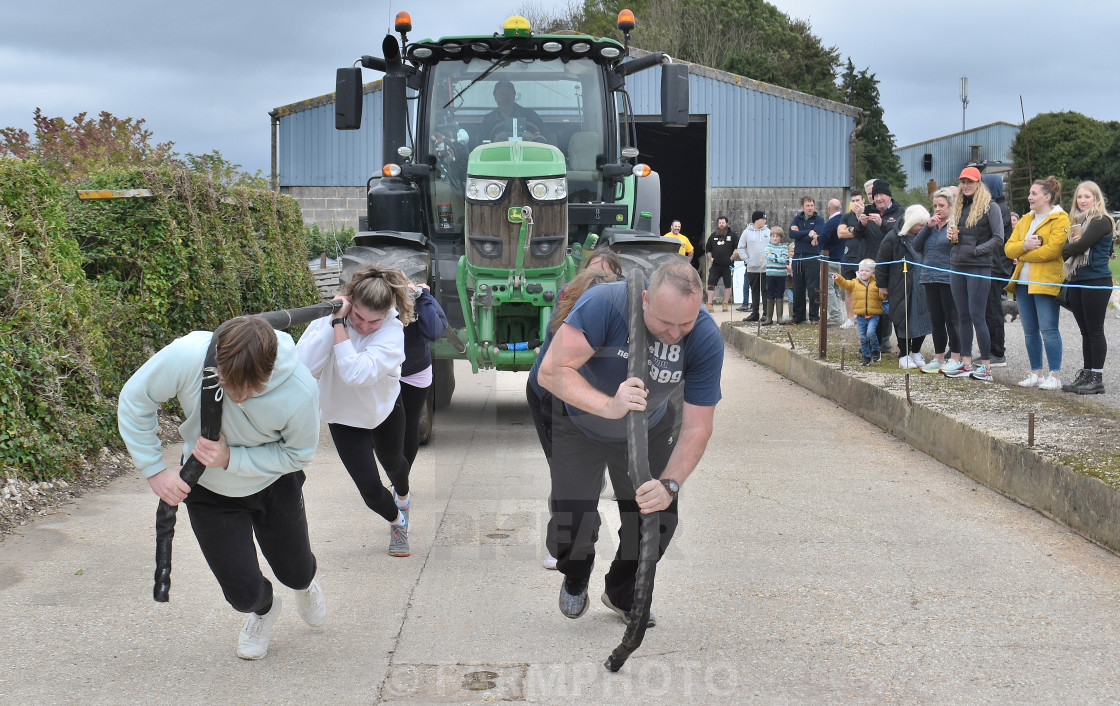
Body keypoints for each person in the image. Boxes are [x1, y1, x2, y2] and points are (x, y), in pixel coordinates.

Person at [118, 316, 324, 660]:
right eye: (230, 385)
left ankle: (305, 586)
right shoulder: (189, 356)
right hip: (210, 491)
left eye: (253, 389)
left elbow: (298, 453)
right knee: (242, 596)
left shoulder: (299, 387)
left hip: (274, 485)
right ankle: (265, 610)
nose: (240, 395)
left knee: (297, 571)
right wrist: (154, 471)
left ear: (270, 368)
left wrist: (231, 458)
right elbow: (135, 400)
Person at [534, 260, 723, 625]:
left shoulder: (704, 336)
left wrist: (669, 484)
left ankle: (621, 592)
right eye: (665, 323)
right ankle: (576, 573)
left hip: (649, 427)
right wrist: (609, 406)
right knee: (570, 524)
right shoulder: (605, 304)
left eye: (684, 324)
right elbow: (551, 371)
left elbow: (698, 425)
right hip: (580, 422)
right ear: (646, 299)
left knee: (658, 517)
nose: (674, 334)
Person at [296, 266, 416, 557]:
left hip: (383, 412)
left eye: (372, 321)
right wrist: (333, 319)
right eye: (358, 317)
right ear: (350, 304)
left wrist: (341, 326)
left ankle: (403, 494)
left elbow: (356, 374)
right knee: (371, 491)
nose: (363, 326)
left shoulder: (392, 331)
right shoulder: (334, 319)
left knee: (396, 464)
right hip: (344, 417)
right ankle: (396, 521)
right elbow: (304, 366)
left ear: (386, 314)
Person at [527, 267, 621, 571]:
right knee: (567, 476)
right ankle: (564, 547)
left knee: (586, 480)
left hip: (597, 404)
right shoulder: (566, 324)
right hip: (551, 397)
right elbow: (555, 380)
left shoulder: (620, 319)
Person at [1004, 176, 1069, 390]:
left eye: (1034, 193)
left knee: (1049, 329)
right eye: (1030, 193)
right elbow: (1009, 248)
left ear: (1047, 197)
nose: (1029, 197)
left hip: (1045, 282)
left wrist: (1023, 254)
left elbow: (1053, 251)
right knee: (1029, 330)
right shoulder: (1024, 219)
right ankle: (1036, 373)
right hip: (1022, 284)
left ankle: (1055, 375)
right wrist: (1024, 245)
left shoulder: (1060, 218)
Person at [944, 166, 1005, 382]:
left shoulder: (991, 207)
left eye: (970, 181)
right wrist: (952, 236)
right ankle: (966, 363)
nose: (966, 185)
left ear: (979, 183)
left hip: (979, 267)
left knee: (978, 315)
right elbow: (959, 238)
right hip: (957, 265)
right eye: (963, 181)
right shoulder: (959, 206)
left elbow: (999, 238)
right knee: (962, 316)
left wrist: (976, 251)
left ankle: (986, 366)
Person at [1061, 181, 1115, 394]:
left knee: (1095, 330)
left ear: (1096, 199)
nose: (1082, 201)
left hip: (1096, 280)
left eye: (1087, 197)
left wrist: (1071, 247)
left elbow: (1077, 247)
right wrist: (1070, 247)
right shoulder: (1078, 222)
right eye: (1079, 197)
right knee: (1085, 332)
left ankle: (1097, 377)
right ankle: (1086, 373)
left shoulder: (1101, 220)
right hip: (1077, 279)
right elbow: (1066, 248)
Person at [912, 187, 963, 374]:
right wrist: (928, 226)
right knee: (936, 321)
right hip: (928, 278)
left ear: (950, 206)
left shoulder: (955, 225)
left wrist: (955, 237)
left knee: (952, 319)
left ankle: (955, 357)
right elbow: (916, 246)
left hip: (949, 279)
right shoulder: (930, 226)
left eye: (941, 205)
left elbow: (959, 249)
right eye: (935, 206)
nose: (937, 209)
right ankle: (939, 357)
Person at [876, 204, 933, 369]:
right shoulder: (893, 237)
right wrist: (882, 285)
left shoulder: (926, 236)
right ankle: (904, 354)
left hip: (922, 285)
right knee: (903, 320)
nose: (921, 228)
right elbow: (882, 262)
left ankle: (916, 351)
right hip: (900, 286)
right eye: (919, 225)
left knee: (923, 319)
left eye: (924, 225)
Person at [400, 282, 449, 469]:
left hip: (414, 371)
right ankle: (397, 476)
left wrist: (424, 296)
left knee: (409, 424)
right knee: (387, 426)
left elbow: (434, 331)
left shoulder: (420, 299)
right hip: (384, 372)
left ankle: (401, 480)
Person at [854, 180, 904, 353]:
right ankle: (869, 342)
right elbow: (857, 235)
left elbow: (900, 232)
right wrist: (862, 224)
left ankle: (884, 341)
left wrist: (882, 224)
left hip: (890, 266)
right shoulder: (869, 210)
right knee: (869, 306)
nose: (878, 198)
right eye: (875, 196)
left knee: (888, 307)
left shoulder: (899, 212)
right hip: (869, 265)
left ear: (889, 195)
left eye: (881, 194)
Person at [982, 173, 1014, 367]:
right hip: (991, 264)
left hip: (995, 265)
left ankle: (997, 352)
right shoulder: (994, 207)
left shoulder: (998, 208)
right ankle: (990, 350)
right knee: (987, 310)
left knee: (993, 310)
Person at [833, 259, 884, 365]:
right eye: (861, 270)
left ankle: (875, 350)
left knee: (870, 333)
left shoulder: (876, 283)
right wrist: (838, 279)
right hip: (861, 316)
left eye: (866, 271)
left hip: (873, 315)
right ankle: (866, 357)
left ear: (873, 273)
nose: (863, 273)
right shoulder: (855, 283)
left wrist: (883, 293)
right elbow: (846, 284)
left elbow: (882, 295)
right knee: (863, 337)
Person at [788, 196, 825, 324]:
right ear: (802, 207)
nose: (810, 208)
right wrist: (809, 232)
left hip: (812, 256)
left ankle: (814, 317)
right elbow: (792, 234)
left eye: (811, 205)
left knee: (813, 288)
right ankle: (799, 315)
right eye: (807, 205)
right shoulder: (797, 218)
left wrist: (802, 233)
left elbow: (818, 235)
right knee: (798, 287)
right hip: (798, 257)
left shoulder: (819, 219)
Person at [478, 79, 548, 145]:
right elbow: (478, 144)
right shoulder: (488, 121)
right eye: (501, 94)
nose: (504, 97)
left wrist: (537, 138)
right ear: (495, 96)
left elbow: (547, 139)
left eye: (507, 94)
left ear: (514, 95)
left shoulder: (531, 116)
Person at [837, 193, 867, 328]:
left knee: (866, 289)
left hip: (864, 257)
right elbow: (840, 233)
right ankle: (850, 318)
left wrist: (851, 230)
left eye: (858, 200)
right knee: (848, 289)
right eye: (853, 200)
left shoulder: (867, 214)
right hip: (848, 256)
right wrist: (856, 230)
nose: (855, 203)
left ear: (863, 201)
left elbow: (867, 232)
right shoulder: (846, 216)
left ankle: (865, 317)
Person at [816, 198, 845, 325]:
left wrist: (814, 236)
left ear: (829, 209)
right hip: (841, 260)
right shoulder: (843, 221)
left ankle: (835, 316)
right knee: (837, 288)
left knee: (829, 289)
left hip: (830, 260)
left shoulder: (831, 223)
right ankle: (837, 313)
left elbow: (823, 239)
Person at [737, 210, 769, 321]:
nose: (764, 221)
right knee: (754, 291)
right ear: (756, 220)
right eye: (763, 219)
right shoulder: (746, 232)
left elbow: (771, 247)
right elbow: (740, 247)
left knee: (765, 291)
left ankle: (766, 314)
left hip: (765, 268)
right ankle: (755, 313)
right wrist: (746, 260)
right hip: (752, 268)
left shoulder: (768, 232)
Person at [705, 216, 737, 311]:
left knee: (728, 284)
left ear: (727, 223)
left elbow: (737, 249)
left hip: (728, 266)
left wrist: (730, 259)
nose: (721, 225)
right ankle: (710, 303)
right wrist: (710, 258)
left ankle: (725, 303)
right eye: (719, 223)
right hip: (715, 266)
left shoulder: (733, 235)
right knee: (711, 283)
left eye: (723, 223)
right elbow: (708, 249)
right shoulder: (713, 235)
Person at [762, 226, 789, 324]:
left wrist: (773, 255)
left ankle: (779, 318)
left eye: (777, 236)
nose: (775, 238)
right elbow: (767, 256)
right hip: (770, 274)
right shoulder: (768, 246)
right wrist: (778, 257)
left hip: (781, 274)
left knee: (780, 294)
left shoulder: (784, 247)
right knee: (770, 294)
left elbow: (784, 260)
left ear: (780, 237)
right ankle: (769, 318)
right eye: (773, 236)